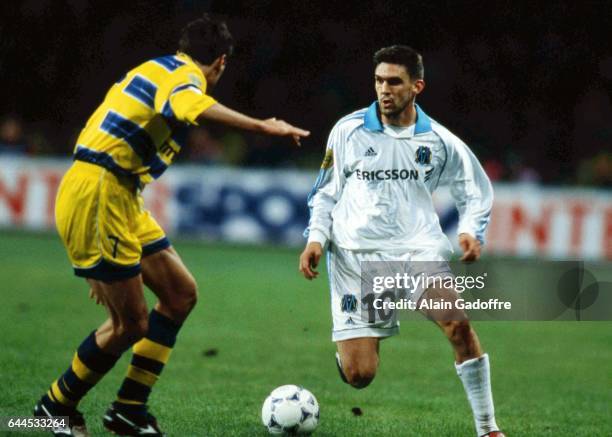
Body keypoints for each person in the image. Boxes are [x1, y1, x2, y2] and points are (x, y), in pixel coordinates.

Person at [34, 14, 309, 437]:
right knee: (131, 325)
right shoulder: (185, 78)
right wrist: (262, 126)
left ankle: (129, 409)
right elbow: (188, 105)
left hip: (118, 195)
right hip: (100, 194)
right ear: (220, 61)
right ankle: (54, 407)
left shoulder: (155, 67)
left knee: (180, 294)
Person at [299, 45, 504, 437]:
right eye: (378, 80)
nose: (384, 89)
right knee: (361, 376)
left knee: (458, 326)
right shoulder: (348, 130)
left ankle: (488, 427)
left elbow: (475, 188)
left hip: (416, 251)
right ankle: (348, 355)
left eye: (394, 81)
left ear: (417, 86)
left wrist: (471, 230)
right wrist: (315, 239)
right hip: (355, 257)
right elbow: (325, 193)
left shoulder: (440, 141)